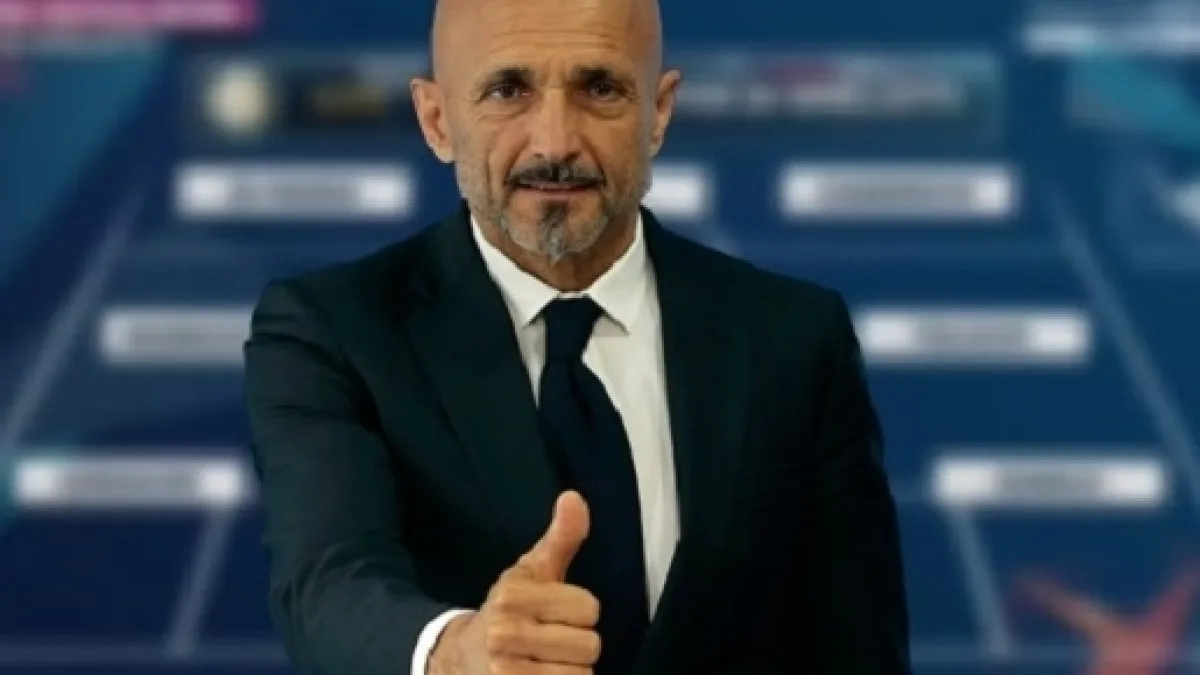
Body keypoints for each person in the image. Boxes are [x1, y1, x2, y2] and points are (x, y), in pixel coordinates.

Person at [243, 0, 911, 672]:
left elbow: (858, 646)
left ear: (659, 113)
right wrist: (455, 653)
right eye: (508, 90)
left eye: (599, 88)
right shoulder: (332, 330)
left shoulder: (794, 337)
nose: (555, 143)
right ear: (437, 120)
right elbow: (327, 583)